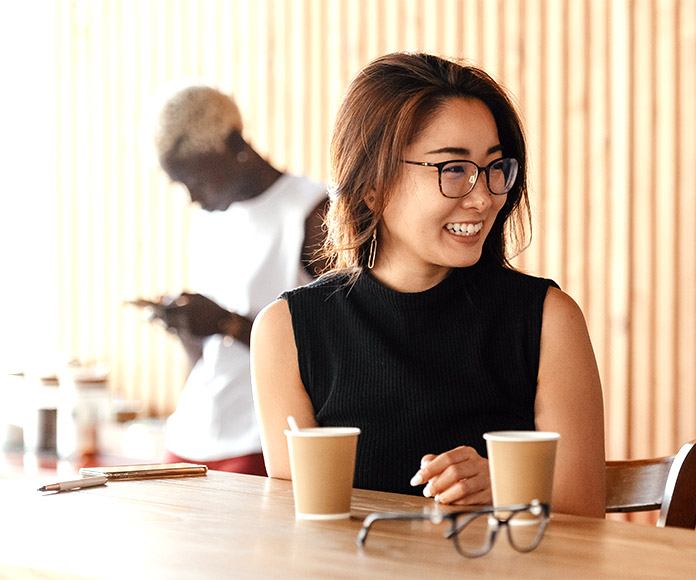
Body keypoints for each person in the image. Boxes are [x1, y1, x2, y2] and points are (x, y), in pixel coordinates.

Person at [250, 52, 606, 517]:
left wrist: (505, 485)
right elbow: (296, 517)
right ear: (372, 187)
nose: (483, 198)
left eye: (494, 167)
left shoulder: (548, 319)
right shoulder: (287, 331)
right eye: (453, 169)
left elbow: (585, 513)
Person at [145, 83, 328, 475]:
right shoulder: (210, 219)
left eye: (196, 181)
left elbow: (336, 351)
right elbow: (205, 360)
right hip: (192, 432)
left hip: (259, 438)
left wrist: (226, 323)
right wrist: (187, 325)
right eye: (181, 185)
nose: (191, 198)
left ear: (235, 146)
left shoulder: (310, 213)